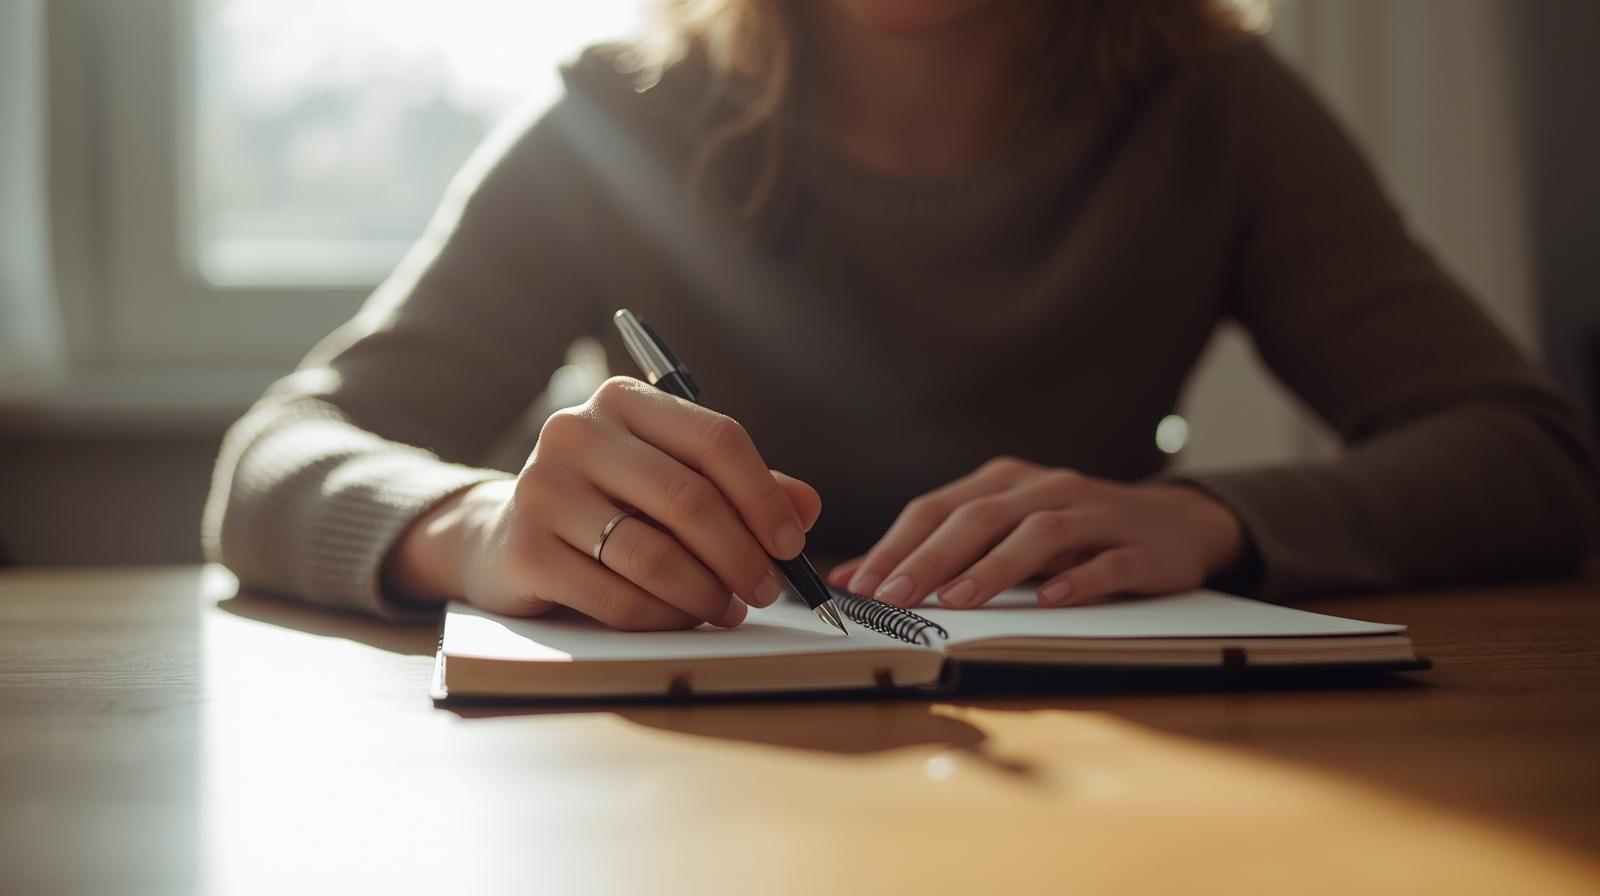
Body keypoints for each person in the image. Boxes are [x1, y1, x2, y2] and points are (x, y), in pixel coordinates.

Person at [204, 0, 1599, 630]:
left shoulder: (1213, 108)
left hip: (1123, 792)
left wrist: (1219, 521)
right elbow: (277, 456)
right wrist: (478, 530)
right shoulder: (617, 122)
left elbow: (1534, 457)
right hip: (686, 796)